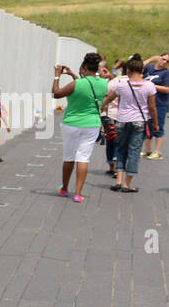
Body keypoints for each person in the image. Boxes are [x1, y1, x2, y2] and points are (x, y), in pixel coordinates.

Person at [52, 52, 108, 202]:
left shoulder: (77, 84)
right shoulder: (103, 84)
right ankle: (78, 193)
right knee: (83, 158)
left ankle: (64, 189)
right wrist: (72, 74)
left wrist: (57, 75)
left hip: (72, 123)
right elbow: (89, 87)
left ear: (83, 67)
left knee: (69, 157)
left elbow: (56, 93)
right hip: (92, 124)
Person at [102, 56, 158, 193]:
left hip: (122, 121)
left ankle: (118, 181)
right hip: (139, 121)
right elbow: (152, 107)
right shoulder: (149, 86)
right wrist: (156, 123)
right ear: (142, 70)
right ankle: (128, 183)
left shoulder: (122, 85)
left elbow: (110, 97)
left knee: (121, 149)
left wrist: (102, 106)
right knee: (134, 152)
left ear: (128, 70)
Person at [142, 52, 169, 159]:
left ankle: (158, 151)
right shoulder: (149, 68)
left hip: (159, 103)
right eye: (162, 58)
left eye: (167, 60)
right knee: (147, 126)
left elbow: (167, 89)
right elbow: (137, 67)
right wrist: (151, 58)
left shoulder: (166, 73)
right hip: (146, 102)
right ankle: (147, 150)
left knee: (158, 126)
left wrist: (152, 85)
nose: (163, 62)